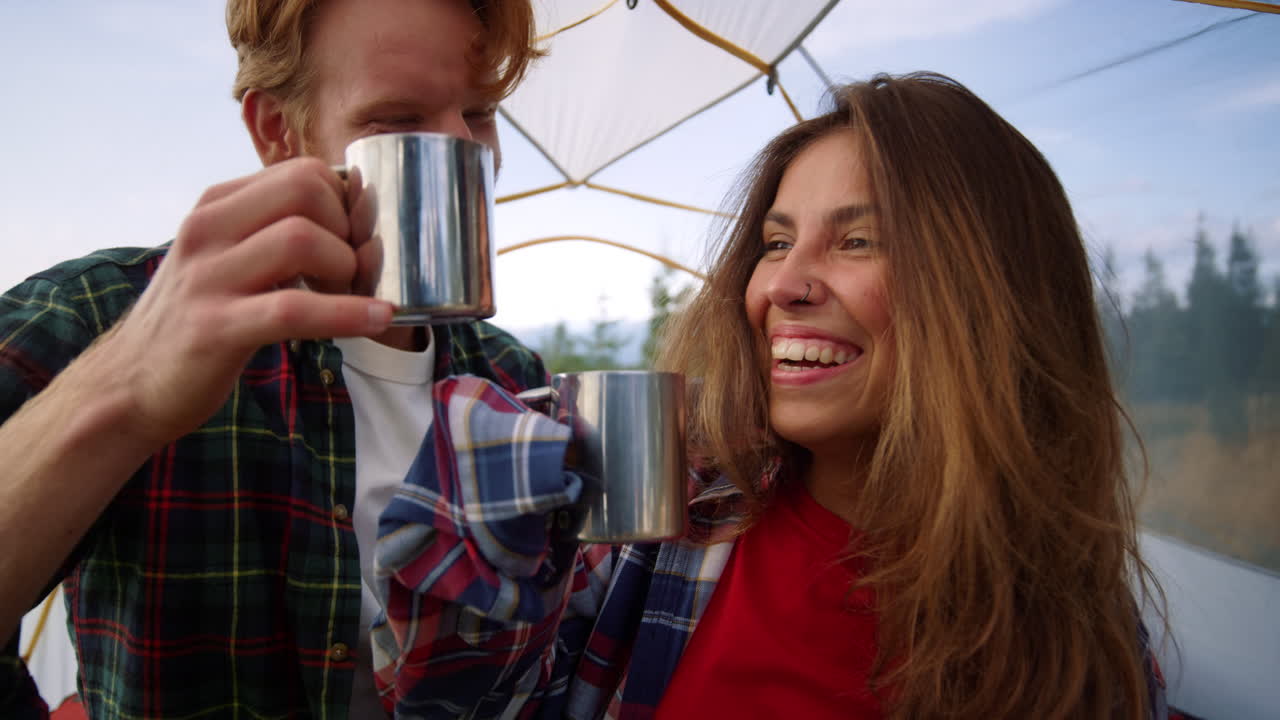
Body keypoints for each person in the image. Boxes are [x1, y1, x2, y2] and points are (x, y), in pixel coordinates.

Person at [366, 73, 1170, 719]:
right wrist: (487, 564)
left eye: (857, 240)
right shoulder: (679, 516)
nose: (781, 285)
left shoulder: (1080, 647)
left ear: (990, 292)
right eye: (777, 242)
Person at [0, 0, 547, 717]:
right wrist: (123, 388)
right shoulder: (102, 313)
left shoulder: (511, 381)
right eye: (397, 122)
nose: (468, 150)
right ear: (278, 131)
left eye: (479, 111)